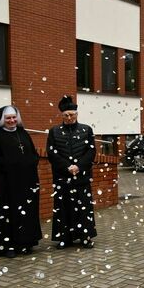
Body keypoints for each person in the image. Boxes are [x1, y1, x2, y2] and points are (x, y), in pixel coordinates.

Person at [0, 106, 42, 258]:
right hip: (6, 184)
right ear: (2, 120)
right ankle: (7, 245)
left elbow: (32, 153)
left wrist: (32, 161)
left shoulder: (22, 133)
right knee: (7, 213)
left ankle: (25, 243)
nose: (11, 120)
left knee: (24, 212)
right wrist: (15, 164)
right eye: (8, 118)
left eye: (13, 117)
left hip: (25, 183)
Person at [47, 95, 97, 249]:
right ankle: (64, 238)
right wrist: (67, 167)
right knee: (63, 208)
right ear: (61, 115)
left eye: (72, 115)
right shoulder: (54, 131)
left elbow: (91, 151)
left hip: (81, 177)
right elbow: (51, 152)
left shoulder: (87, 130)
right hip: (62, 177)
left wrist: (79, 166)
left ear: (76, 114)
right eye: (66, 115)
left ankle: (85, 237)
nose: (69, 117)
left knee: (83, 207)